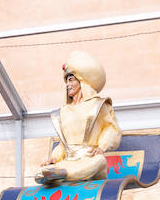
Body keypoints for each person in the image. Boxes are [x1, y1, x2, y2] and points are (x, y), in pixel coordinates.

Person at [35, 50, 120, 185]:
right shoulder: (64, 111)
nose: (67, 85)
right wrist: (54, 158)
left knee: (100, 161)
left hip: (90, 158)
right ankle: (61, 173)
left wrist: (101, 147)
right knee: (41, 172)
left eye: (71, 80)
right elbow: (64, 145)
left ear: (82, 81)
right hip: (69, 160)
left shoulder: (98, 105)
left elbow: (111, 130)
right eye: (66, 81)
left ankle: (64, 175)